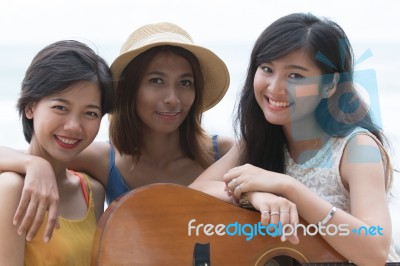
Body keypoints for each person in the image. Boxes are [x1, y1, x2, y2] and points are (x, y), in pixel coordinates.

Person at [190, 13, 399, 264]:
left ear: (330, 85)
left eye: (296, 76)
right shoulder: (259, 140)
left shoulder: (356, 148)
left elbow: (375, 251)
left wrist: (290, 189)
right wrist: (254, 195)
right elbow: (193, 194)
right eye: (267, 69)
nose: (275, 87)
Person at [0, 22, 234, 242]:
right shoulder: (103, 160)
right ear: (130, 90)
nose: (173, 99)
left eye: (185, 83)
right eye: (156, 81)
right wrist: (33, 164)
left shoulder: (224, 153)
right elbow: (18, 154)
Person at [0, 40, 115, 265]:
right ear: (30, 107)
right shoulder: (12, 188)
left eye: (90, 113)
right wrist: (34, 164)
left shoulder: (92, 191)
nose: (74, 126)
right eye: (60, 108)